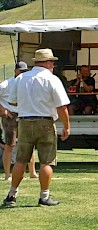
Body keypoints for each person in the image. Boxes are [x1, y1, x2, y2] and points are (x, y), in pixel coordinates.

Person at [3, 48, 70, 207]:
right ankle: (44, 196)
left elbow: (12, 102)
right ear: (47, 63)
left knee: (20, 160)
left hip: (25, 121)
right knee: (47, 161)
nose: (53, 65)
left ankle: (12, 195)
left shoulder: (21, 78)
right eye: (52, 62)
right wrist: (67, 126)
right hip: (45, 122)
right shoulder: (52, 79)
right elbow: (62, 106)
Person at [0, 62, 38, 181]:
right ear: (15, 71)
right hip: (10, 116)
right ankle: (7, 174)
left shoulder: (27, 83)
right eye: (21, 71)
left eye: (25, 71)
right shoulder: (6, 84)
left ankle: (32, 172)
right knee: (9, 145)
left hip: (24, 115)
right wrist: (3, 111)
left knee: (29, 144)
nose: (22, 73)